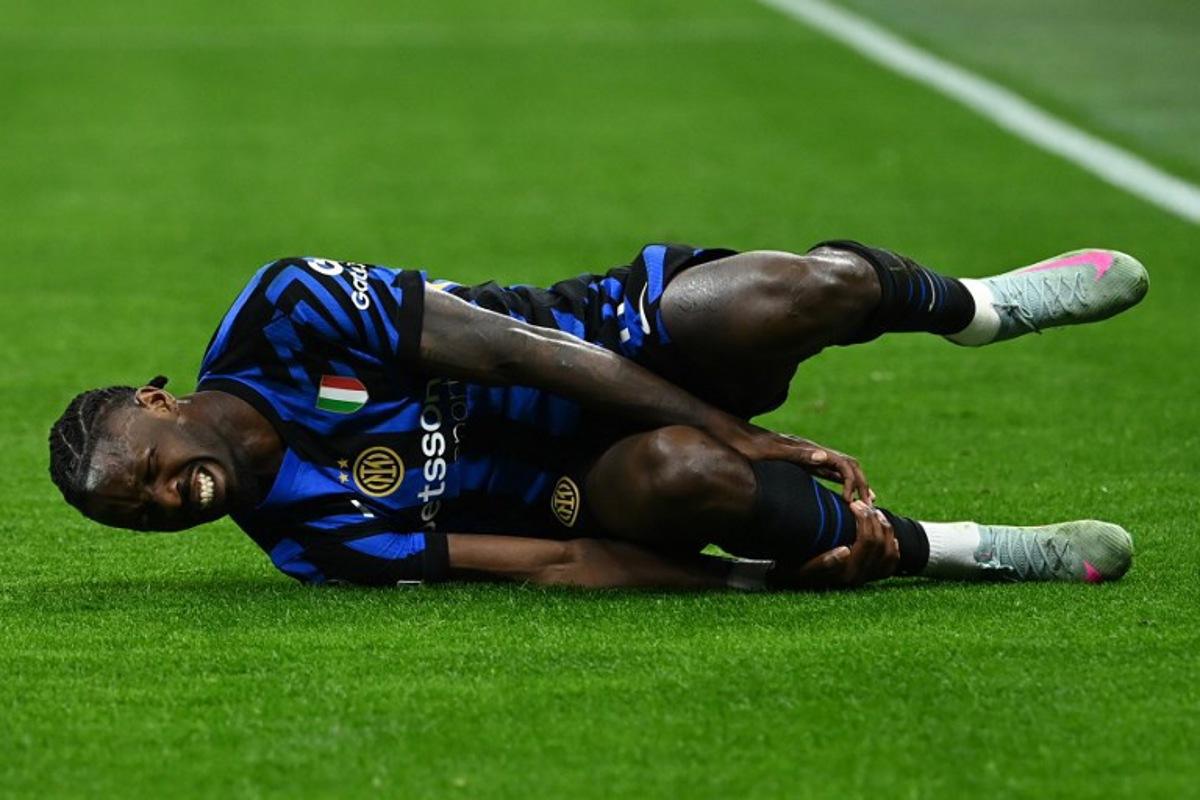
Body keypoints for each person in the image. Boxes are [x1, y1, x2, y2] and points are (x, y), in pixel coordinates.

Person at [48, 241, 1147, 590]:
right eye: (140, 516)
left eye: (147, 470)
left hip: (596, 341)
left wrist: (735, 422)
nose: (166, 500)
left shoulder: (283, 310)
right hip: (593, 480)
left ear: (157, 401)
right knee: (688, 476)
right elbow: (553, 559)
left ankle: (980, 309)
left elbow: (516, 349)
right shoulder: (309, 540)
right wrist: (754, 579)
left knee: (797, 291)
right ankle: (955, 548)